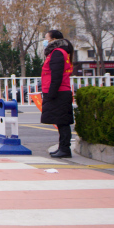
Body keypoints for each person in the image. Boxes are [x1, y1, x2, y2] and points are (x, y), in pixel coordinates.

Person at [41, 30, 75, 158]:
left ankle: (65, 149)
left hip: (59, 91)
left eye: (47, 39)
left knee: (62, 122)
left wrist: (51, 94)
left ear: (54, 39)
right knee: (61, 121)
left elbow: (56, 75)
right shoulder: (60, 52)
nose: (45, 41)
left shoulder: (57, 53)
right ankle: (62, 147)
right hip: (60, 90)